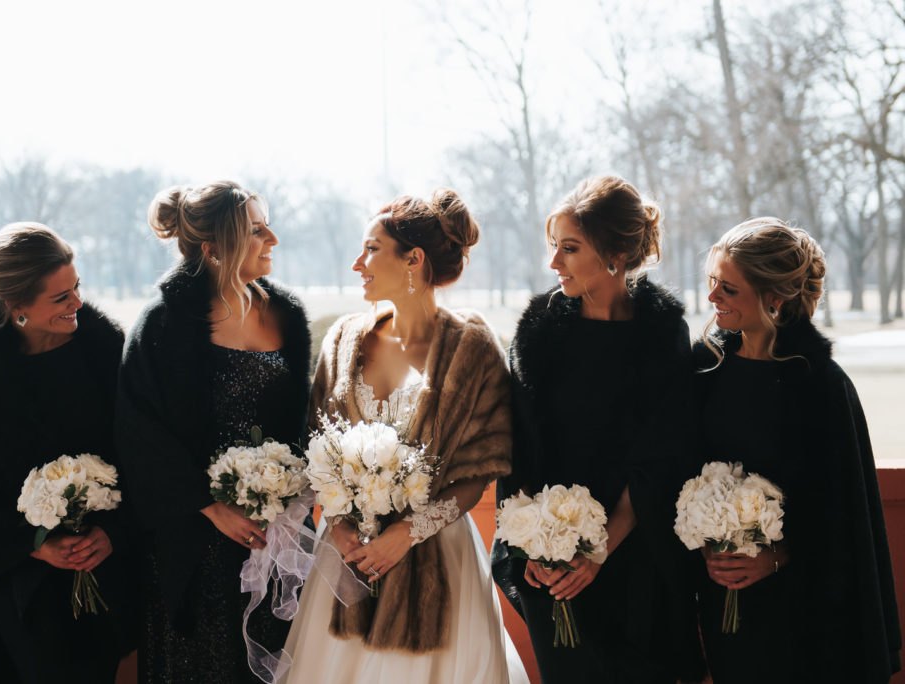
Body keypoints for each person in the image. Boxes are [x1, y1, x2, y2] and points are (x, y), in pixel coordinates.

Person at [281, 188, 528, 684]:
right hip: (345, 566)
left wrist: (404, 534)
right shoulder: (342, 339)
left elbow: (480, 471)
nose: (357, 263)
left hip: (437, 563)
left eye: (371, 249)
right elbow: (316, 448)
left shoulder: (473, 348)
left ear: (412, 259)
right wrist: (342, 526)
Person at [501, 175, 705, 683]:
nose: (554, 263)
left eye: (569, 249)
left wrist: (597, 552)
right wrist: (540, 546)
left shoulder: (664, 333)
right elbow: (519, 445)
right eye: (554, 247)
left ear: (614, 252)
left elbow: (661, 457)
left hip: (638, 559)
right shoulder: (539, 328)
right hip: (550, 564)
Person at [115, 181, 311, 683]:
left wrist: (290, 504)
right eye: (256, 229)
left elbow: (306, 421)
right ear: (213, 248)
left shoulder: (287, 316)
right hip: (193, 544)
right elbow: (140, 434)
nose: (273, 237)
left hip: (276, 538)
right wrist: (211, 506)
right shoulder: (162, 326)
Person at [0, 222, 135, 683]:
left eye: (76, 287)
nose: (77, 302)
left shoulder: (111, 358)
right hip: (23, 588)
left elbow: (143, 456)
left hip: (105, 575)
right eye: (60, 298)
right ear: (16, 307)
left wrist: (112, 531)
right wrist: (37, 546)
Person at [693, 218, 900, 684]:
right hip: (721, 600)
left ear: (774, 298)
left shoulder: (822, 386)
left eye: (727, 287)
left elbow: (844, 510)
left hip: (801, 607)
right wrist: (705, 539)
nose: (712, 299)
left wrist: (777, 556)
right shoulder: (704, 369)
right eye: (712, 283)